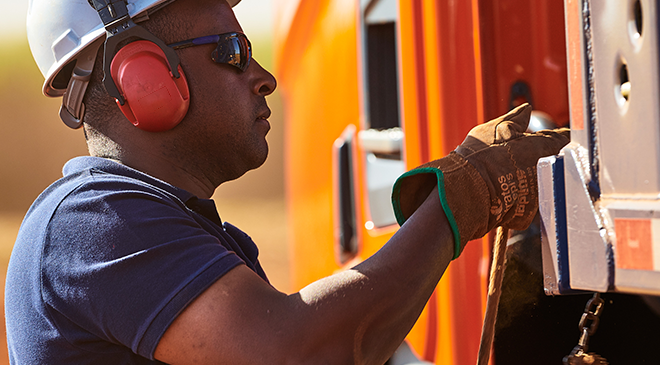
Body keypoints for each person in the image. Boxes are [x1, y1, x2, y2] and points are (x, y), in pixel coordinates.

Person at [5, 0, 570, 363]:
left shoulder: (205, 242)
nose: (266, 78)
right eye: (233, 51)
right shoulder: (91, 223)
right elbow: (301, 353)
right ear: (147, 77)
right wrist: (464, 198)